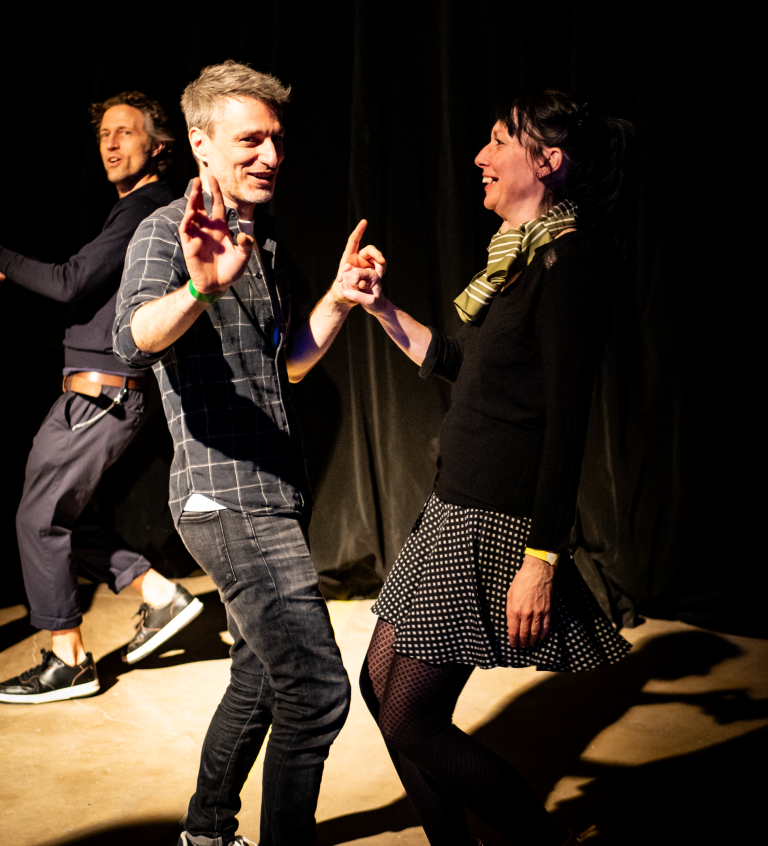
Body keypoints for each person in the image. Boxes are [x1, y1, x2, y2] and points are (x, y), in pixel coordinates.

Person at [340, 90, 634, 846]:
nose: (480, 156)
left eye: (500, 140)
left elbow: (567, 425)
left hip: (495, 520)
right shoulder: (520, 259)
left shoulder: (567, 264)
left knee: (410, 714)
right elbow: (464, 366)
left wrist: (541, 559)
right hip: (453, 506)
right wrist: (381, 308)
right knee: (381, 690)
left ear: (548, 161)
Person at [113, 60, 385, 846]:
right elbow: (133, 338)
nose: (271, 155)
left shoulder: (256, 240)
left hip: (269, 494)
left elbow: (287, 365)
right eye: (250, 141)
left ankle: (206, 830)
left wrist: (338, 299)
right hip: (226, 498)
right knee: (318, 693)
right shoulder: (166, 231)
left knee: (262, 678)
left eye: (277, 140)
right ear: (200, 143)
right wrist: (200, 288)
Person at [0, 92, 203, 705]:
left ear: (158, 147)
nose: (111, 144)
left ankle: (68, 659)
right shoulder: (133, 209)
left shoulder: (144, 208)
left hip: (100, 394)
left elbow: (69, 283)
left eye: (125, 132)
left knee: (38, 519)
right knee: (69, 519)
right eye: (104, 135)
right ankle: (161, 595)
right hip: (100, 393)